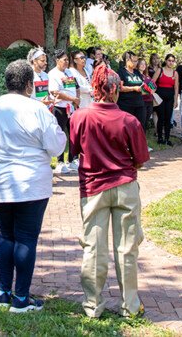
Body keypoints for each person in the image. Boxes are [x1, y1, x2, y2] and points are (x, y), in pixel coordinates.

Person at [0, 59, 65, 312]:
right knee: (26, 238)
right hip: (30, 183)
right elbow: (56, 146)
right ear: (29, 84)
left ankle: (4, 291)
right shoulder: (38, 109)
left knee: (6, 235)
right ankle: (21, 298)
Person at [70, 64, 150, 319]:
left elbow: (73, 151)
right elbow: (139, 160)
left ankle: (93, 305)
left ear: (94, 87)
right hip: (125, 185)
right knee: (127, 248)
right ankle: (130, 305)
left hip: (93, 188)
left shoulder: (80, 116)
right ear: (115, 89)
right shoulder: (129, 120)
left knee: (93, 247)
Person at [50, 49, 81, 173]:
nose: (67, 62)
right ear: (57, 60)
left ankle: (73, 159)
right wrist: (72, 98)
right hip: (60, 108)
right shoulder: (53, 74)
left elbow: (76, 87)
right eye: (64, 60)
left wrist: (76, 99)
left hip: (71, 108)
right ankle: (60, 161)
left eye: (68, 59)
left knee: (73, 133)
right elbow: (55, 92)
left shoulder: (69, 72)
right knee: (61, 135)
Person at [153, 54, 178, 145]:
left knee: (168, 119)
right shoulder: (160, 70)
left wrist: (175, 101)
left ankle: (167, 138)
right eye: (169, 60)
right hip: (160, 98)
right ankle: (160, 138)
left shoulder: (175, 73)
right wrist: (153, 94)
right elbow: (152, 82)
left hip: (170, 98)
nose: (171, 62)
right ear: (166, 61)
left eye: (172, 61)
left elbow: (176, 88)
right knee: (161, 118)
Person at [116, 51, 146, 126]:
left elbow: (142, 85)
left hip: (139, 104)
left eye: (137, 61)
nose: (136, 63)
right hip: (126, 105)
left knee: (140, 126)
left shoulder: (137, 72)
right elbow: (120, 88)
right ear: (127, 60)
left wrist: (148, 88)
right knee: (128, 127)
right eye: (134, 61)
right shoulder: (121, 72)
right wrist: (133, 88)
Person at [136, 58, 154, 131]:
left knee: (146, 121)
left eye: (144, 64)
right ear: (137, 65)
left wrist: (147, 89)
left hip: (149, 101)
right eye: (141, 64)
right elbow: (141, 90)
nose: (143, 65)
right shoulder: (136, 76)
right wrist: (147, 89)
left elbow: (153, 88)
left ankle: (143, 138)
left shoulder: (147, 76)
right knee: (141, 121)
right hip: (142, 102)